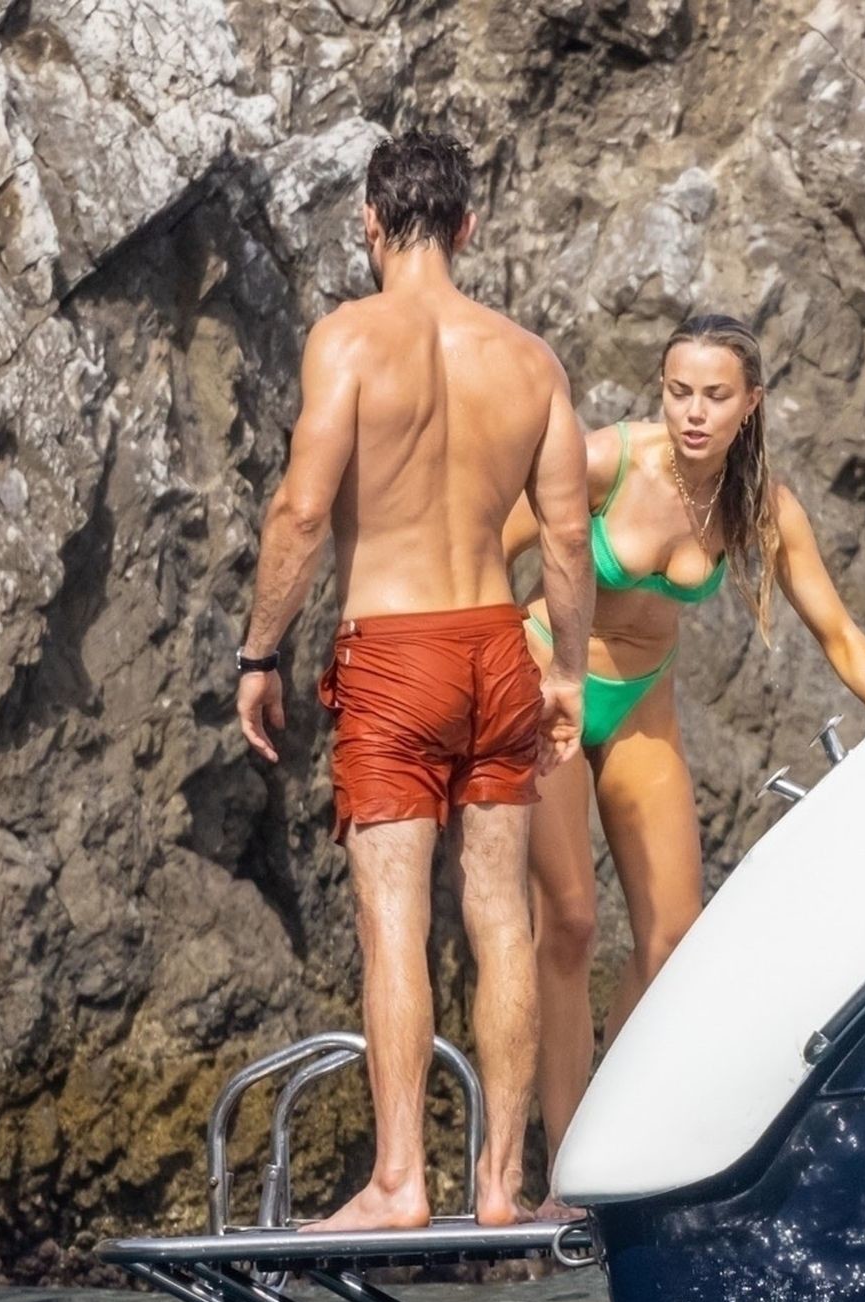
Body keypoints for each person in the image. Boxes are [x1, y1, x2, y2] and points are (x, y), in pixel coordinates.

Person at [236, 131, 595, 1231]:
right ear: (468, 227)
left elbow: (303, 511)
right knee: (501, 917)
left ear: (370, 223)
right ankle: (502, 1183)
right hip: (497, 644)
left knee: (394, 919)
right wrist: (567, 671)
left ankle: (399, 1179)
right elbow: (567, 535)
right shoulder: (529, 360)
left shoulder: (347, 340)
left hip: (394, 652)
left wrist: (260, 653)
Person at [502, 315, 865, 1205]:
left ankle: (610, 1125)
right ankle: (563, 1172)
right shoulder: (603, 462)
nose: (693, 412)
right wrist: (496, 683)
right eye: (679, 391)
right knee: (569, 922)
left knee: (673, 936)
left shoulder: (759, 505)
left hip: (644, 698)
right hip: (546, 684)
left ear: (750, 403)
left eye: (715, 396)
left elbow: (839, 633)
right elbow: (490, 555)